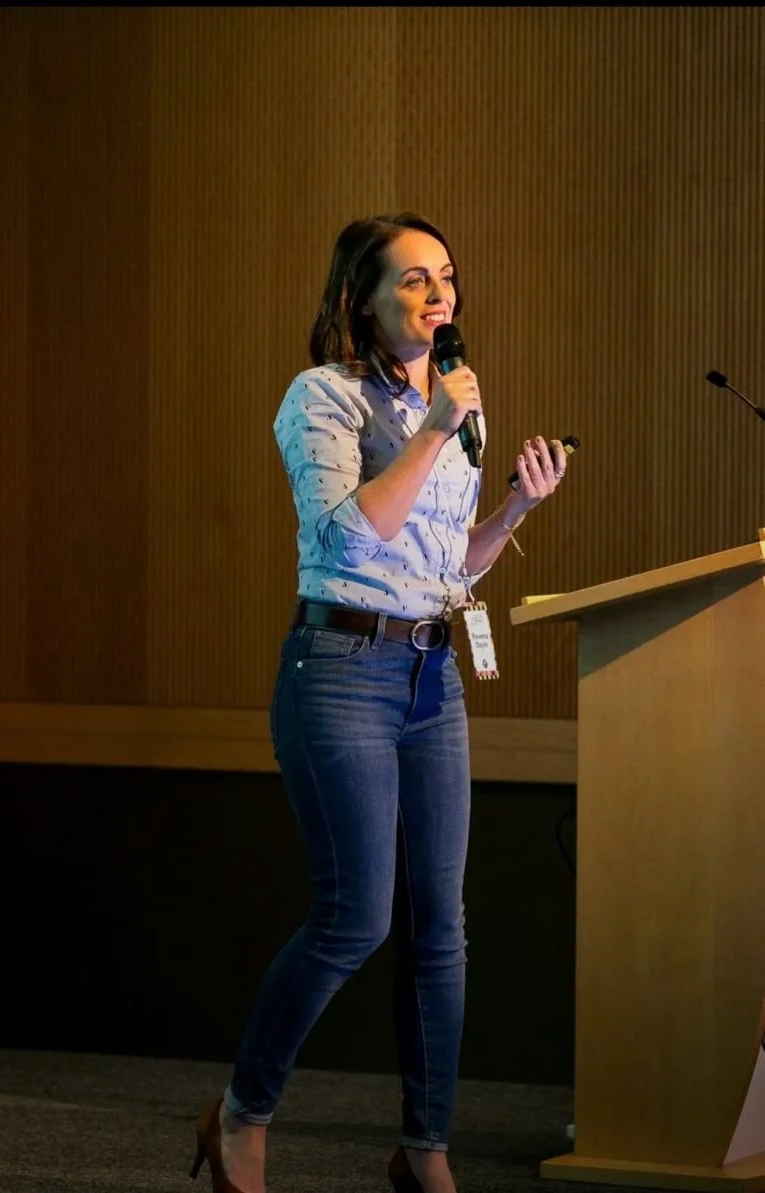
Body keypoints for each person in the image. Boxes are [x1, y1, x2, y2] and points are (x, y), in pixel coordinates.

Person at [190, 213, 569, 1193]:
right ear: (361, 299)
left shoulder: (456, 404)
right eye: (412, 279)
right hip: (341, 667)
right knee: (353, 917)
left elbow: (448, 566)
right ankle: (241, 1113)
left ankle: (424, 1146)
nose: (438, 295)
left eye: (445, 275)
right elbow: (349, 538)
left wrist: (515, 507)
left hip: (431, 675)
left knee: (441, 926)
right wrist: (436, 427)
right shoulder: (321, 396)